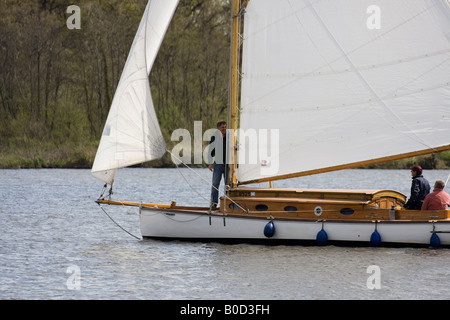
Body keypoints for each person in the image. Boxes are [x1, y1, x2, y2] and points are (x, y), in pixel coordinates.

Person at [208, 121, 229, 209]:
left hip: (228, 164)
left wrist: (236, 146)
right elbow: (210, 151)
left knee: (228, 184)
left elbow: (238, 144)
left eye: (225, 127)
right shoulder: (214, 137)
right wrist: (210, 163)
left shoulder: (230, 136)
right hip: (218, 163)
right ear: (218, 129)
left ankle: (228, 202)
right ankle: (214, 202)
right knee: (215, 183)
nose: (224, 129)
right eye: (222, 127)